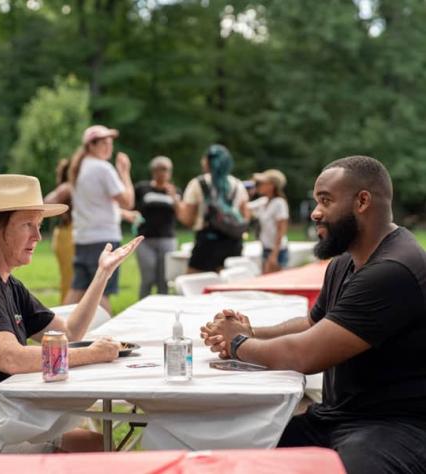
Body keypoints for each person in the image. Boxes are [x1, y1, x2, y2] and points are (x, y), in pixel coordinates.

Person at [201, 155, 426, 474]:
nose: (317, 212)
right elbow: (313, 324)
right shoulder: (346, 262)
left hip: (396, 427)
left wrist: (236, 343)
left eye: (326, 200)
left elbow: (304, 355)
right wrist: (252, 332)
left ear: (362, 201)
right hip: (339, 417)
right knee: (241, 454)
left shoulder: (393, 269)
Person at [0, 174, 143, 454]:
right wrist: (92, 353)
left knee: (94, 445)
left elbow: (69, 333)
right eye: (28, 224)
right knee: (81, 454)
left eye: (39, 225)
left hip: (1, 423)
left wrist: (103, 273)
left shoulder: (7, 283)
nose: (38, 236)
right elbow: (10, 357)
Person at [65, 125, 134, 314]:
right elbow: (127, 200)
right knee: (102, 291)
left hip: (83, 238)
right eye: (104, 142)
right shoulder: (104, 168)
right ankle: (105, 336)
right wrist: (125, 172)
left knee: (78, 289)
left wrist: (120, 213)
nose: (109, 146)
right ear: (91, 145)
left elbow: (93, 205)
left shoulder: (79, 168)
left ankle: (57, 332)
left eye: (110, 142)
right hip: (104, 240)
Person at [177, 144, 249, 273]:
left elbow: (188, 220)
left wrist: (176, 205)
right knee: (225, 285)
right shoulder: (238, 185)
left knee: (193, 284)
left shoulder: (198, 183)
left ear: (207, 162)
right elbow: (245, 217)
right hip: (234, 244)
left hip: (207, 244)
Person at [133, 156, 181, 298]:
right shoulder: (142, 188)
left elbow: (181, 214)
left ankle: (162, 310)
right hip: (145, 239)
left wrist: (174, 198)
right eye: (158, 169)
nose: (162, 173)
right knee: (147, 278)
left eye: (165, 169)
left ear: (170, 172)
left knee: (163, 279)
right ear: (153, 171)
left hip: (167, 239)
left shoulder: (175, 191)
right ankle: (142, 309)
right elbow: (131, 206)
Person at [44, 159, 74, 303]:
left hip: (68, 234)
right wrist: (62, 212)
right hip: (68, 235)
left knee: (73, 280)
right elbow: (46, 202)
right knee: (71, 281)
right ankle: (66, 313)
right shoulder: (68, 187)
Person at [249, 169, 289, 273]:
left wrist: (274, 255)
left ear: (272, 185)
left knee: (274, 284)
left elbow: (281, 230)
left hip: (276, 251)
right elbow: (245, 208)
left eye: (262, 183)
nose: (259, 185)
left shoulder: (279, 203)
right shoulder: (263, 202)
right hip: (266, 249)